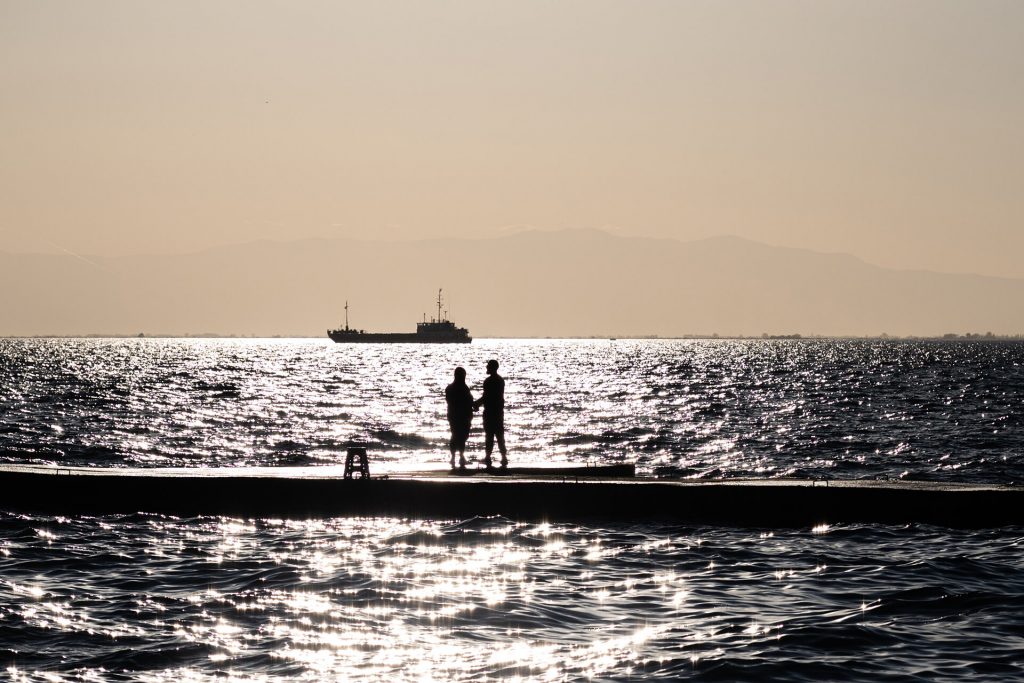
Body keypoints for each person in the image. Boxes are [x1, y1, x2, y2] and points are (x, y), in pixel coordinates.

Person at [474, 359, 507, 469]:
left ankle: (488, 457)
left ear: (492, 368)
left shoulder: (488, 381)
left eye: (488, 366)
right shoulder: (501, 380)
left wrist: (476, 404)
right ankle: (503, 457)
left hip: (489, 413)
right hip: (498, 412)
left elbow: (486, 397)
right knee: (499, 435)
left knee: (489, 436)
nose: (486, 368)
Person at [444, 366, 474, 470]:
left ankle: (454, 458)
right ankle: (460, 457)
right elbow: (468, 401)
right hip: (462, 416)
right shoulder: (463, 388)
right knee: (462, 437)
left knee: (455, 436)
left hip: (453, 416)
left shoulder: (450, 388)